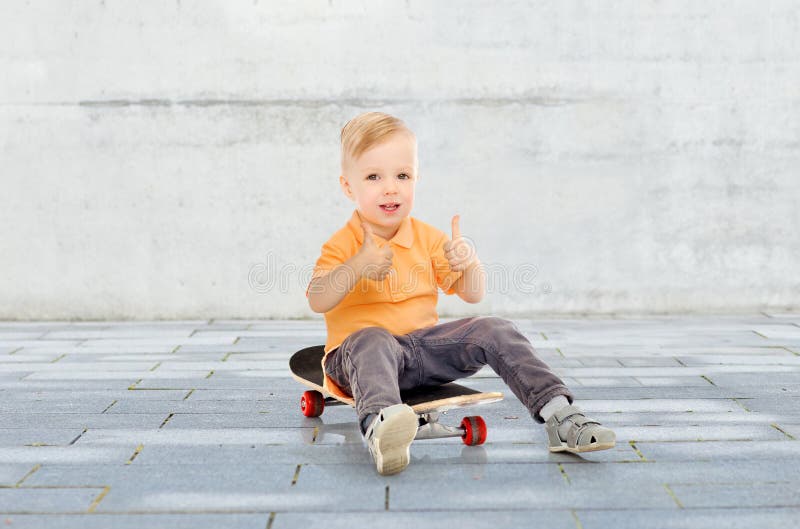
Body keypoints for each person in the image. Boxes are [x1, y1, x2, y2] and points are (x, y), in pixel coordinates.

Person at [305, 111, 615, 475]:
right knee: (372, 338)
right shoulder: (342, 245)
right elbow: (317, 299)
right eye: (374, 177)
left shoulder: (429, 238)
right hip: (358, 359)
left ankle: (562, 417)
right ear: (348, 186)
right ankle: (381, 427)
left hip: (422, 352)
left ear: (416, 178)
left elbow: (473, 294)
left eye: (402, 175)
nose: (391, 188)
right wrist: (356, 265)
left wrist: (469, 262)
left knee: (495, 328)